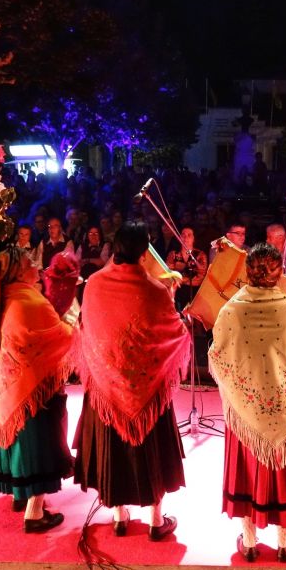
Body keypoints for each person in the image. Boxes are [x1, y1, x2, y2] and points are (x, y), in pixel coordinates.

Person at [73, 221, 191, 542]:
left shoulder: (94, 285)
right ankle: (155, 519)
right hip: (146, 387)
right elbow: (174, 333)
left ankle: (119, 516)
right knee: (151, 449)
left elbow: (88, 329)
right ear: (143, 253)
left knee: (115, 449)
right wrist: (175, 303)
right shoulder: (155, 289)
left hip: (107, 386)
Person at [208, 243, 286, 563]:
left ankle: (250, 541)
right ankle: (285, 543)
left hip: (247, 410)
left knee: (248, 470)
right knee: (282, 471)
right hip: (284, 410)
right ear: (278, 274)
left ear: (248, 274)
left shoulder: (231, 310)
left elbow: (217, 356)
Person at [0, 247, 74, 533]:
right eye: (30, 262)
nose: (36, 265)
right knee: (36, 445)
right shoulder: (29, 301)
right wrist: (75, 327)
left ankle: (21, 497)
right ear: (19, 271)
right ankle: (34, 513)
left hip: (5, 388)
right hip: (31, 391)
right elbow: (59, 337)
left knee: (17, 442)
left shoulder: (4, 298)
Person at [166, 226, 207, 312]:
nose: (185, 238)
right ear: (179, 237)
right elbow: (169, 273)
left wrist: (182, 280)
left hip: (194, 292)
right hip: (177, 291)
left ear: (193, 238)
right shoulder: (173, 254)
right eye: (183, 235)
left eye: (189, 235)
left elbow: (200, 277)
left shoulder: (200, 255)